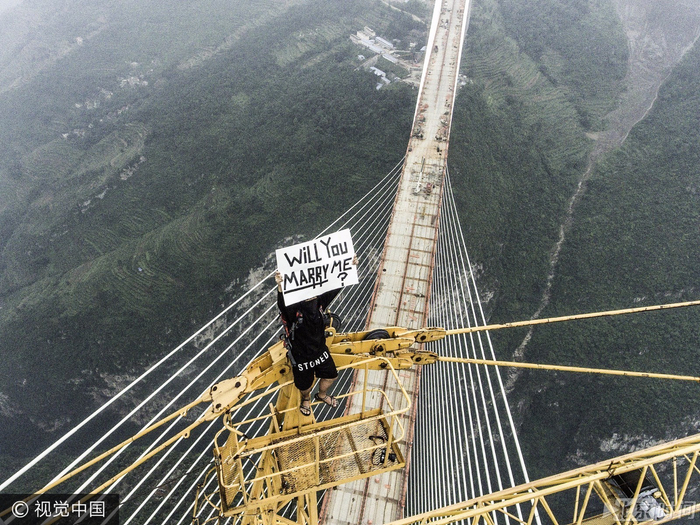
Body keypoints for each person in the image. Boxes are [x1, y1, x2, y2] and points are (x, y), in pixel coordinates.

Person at [275, 256, 357, 416]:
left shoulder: (319, 302)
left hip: (320, 350)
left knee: (331, 375)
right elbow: (283, 305)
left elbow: (336, 287)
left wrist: (349, 266)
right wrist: (280, 286)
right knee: (304, 386)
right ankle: (306, 399)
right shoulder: (294, 309)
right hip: (301, 355)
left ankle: (321, 395)